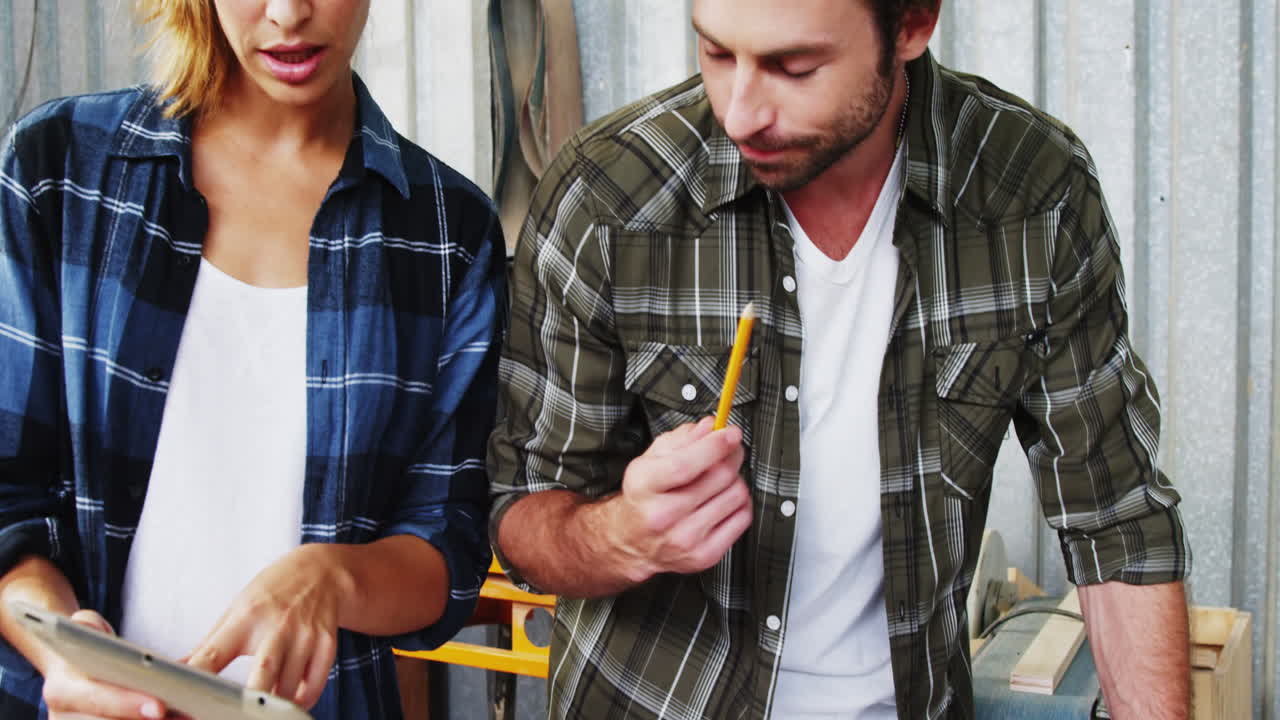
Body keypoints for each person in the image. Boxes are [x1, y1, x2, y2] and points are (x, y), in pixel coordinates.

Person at [487, 0, 1192, 717]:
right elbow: (522, 513)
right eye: (717, 54)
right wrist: (626, 537)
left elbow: (1118, 525)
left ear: (913, 25)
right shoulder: (610, 194)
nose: (740, 113)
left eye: (794, 68)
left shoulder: (1031, 196)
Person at [0, 0, 504, 717]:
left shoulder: (449, 230)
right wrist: (60, 649)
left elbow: (447, 548)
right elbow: (9, 499)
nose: (289, 14)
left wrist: (332, 578)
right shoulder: (58, 167)